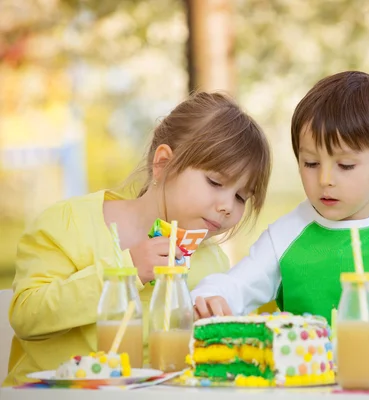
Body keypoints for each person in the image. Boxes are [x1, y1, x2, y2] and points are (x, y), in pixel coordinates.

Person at [4, 91, 271, 386]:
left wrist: (215, 332)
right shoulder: (69, 224)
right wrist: (125, 271)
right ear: (163, 164)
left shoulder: (213, 265)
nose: (227, 206)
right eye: (215, 182)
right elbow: (27, 316)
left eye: (240, 197)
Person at [191, 71, 369, 354]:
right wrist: (208, 298)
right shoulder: (286, 234)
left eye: (345, 165)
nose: (325, 179)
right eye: (310, 163)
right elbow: (236, 286)